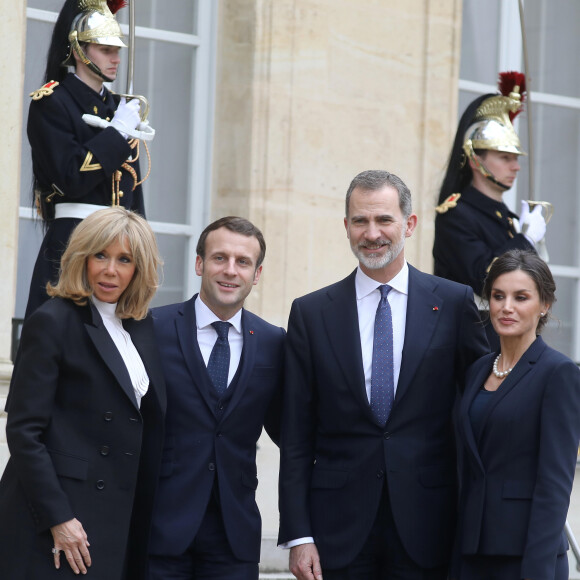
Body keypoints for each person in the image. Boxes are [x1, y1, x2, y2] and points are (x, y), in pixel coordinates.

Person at [278, 170, 489, 580]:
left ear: (408, 224)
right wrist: (298, 534)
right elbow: (296, 433)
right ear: (346, 227)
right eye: (360, 221)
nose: (372, 233)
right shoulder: (310, 313)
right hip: (336, 530)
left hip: (430, 525)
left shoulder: (453, 302)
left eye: (384, 220)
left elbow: (479, 408)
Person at [0, 207, 165, 579]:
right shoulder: (52, 320)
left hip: (118, 517)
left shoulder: (140, 327)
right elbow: (24, 433)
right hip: (58, 521)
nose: (111, 270)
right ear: (82, 258)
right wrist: (58, 517)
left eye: (125, 259)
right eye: (101, 255)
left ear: (140, 269)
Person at [147, 216, 285, 580]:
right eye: (219, 258)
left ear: (256, 274)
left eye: (243, 262)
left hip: (233, 536)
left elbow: (291, 431)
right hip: (158, 530)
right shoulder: (150, 328)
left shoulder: (275, 343)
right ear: (199, 264)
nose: (230, 270)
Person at [454, 249, 580, 580]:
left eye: (521, 297)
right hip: (471, 553)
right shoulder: (478, 369)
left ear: (545, 305)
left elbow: (554, 485)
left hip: (525, 557)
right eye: (498, 296)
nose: (506, 307)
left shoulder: (559, 373)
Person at [25, 0, 150, 318]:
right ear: (79, 50)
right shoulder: (53, 103)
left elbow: (132, 190)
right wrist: (117, 133)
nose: (116, 59)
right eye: (105, 49)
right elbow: (70, 177)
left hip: (121, 248)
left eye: (117, 50)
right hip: (75, 242)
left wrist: (141, 247)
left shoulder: (122, 108)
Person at [432, 72, 547, 349]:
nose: (515, 167)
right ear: (475, 160)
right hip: (474, 341)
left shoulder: (507, 218)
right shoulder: (455, 214)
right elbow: (486, 277)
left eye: (515, 158)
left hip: (513, 339)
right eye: (505, 158)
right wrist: (525, 241)